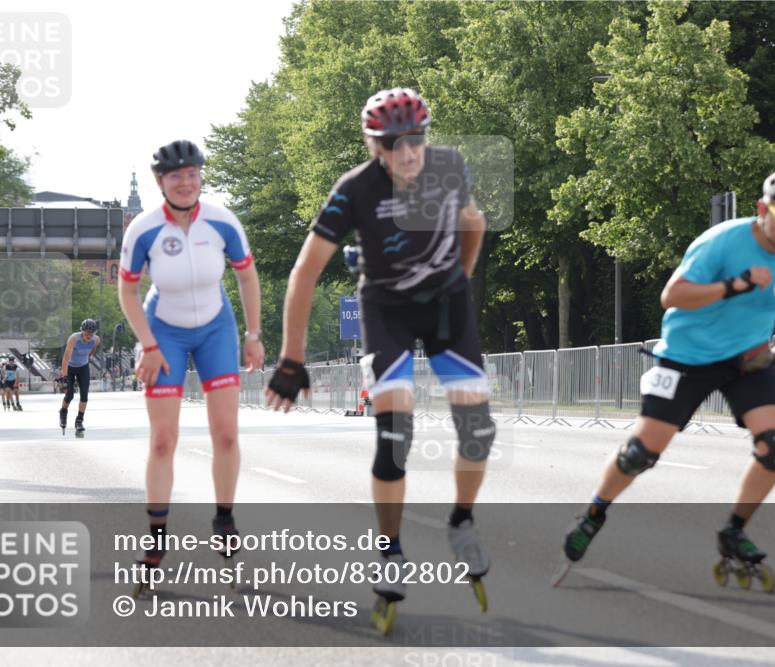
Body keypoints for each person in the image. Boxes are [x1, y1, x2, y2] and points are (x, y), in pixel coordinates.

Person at [265, 88, 495, 630]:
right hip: (386, 309)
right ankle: (390, 550)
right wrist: (291, 360)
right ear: (373, 145)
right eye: (393, 143)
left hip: (445, 305)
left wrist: (459, 277)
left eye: (416, 138)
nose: (408, 151)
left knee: (477, 428)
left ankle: (461, 521)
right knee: (395, 435)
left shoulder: (449, 167)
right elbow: (304, 273)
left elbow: (475, 223)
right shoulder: (353, 189)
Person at [557, 167, 775, 588]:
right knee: (640, 453)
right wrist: (735, 285)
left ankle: (734, 530)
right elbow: (672, 296)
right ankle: (595, 512)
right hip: (686, 356)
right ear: (761, 210)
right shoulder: (722, 243)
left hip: (747, 358)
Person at [118, 139, 264, 579]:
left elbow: (247, 275)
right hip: (165, 331)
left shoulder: (222, 221)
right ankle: (157, 540)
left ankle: (224, 518)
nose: (185, 183)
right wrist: (148, 344)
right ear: (161, 182)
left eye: (192, 174)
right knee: (163, 439)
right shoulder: (143, 229)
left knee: (226, 435)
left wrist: (253, 335)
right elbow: (127, 290)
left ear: (201, 176)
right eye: (175, 176)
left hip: (216, 329)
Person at [59, 319, 101, 434]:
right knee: (70, 395)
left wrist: (87, 358)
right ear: (82, 331)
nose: (88, 336)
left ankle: (79, 421)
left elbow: (93, 349)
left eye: (91, 334)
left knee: (84, 395)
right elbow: (66, 357)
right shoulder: (74, 338)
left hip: (83, 367)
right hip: (71, 367)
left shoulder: (96, 340)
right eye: (86, 333)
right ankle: (63, 412)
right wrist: (64, 373)